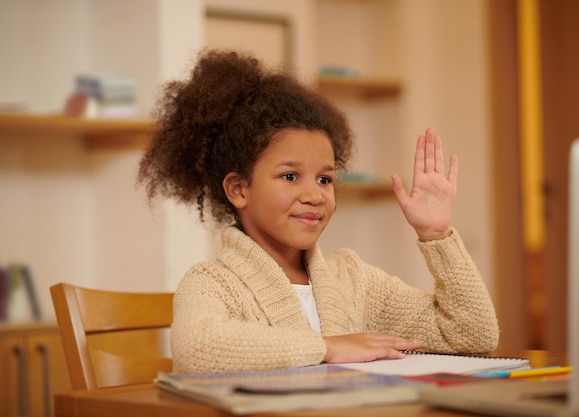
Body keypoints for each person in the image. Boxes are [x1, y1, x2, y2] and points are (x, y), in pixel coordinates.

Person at [137, 50, 499, 374]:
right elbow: (196, 349)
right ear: (238, 189)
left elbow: (471, 335)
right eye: (290, 176)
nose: (314, 195)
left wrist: (436, 236)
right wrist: (327, 348)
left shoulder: (355, 280)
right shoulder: (212, 284)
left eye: (325, 179)